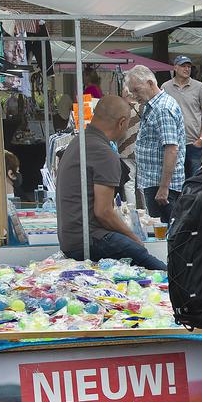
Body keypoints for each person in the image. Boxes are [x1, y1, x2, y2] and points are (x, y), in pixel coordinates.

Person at [54, 95, 166, 270]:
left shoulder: (79, 142)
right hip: (89, 240)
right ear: (122, 122)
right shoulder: (103, 152)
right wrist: (134, 238)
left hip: (71, 238)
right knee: (158, 268)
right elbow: (103, 212)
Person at [124, 65, 185, 224]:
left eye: (136, 90)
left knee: (164, 234)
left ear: (151, 83)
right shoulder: (154, 105)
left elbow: (171, 149)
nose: (134, 95)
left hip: (162, 187)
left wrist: (164, 188)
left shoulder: (162, 108)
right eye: (132, 92)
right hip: (156, 183)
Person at [161, 55, 202, 177]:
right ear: (175, 68)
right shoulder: (165, 87)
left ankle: (192, 197)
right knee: (174, 179)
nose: (187, 69)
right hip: (173, 142)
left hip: (193, 142)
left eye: (189, 66)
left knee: (194, 179)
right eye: (183, 66)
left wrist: (201, 139)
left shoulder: (199, 87)